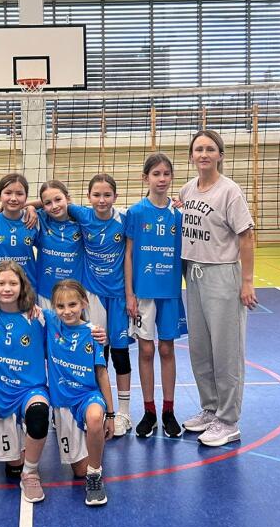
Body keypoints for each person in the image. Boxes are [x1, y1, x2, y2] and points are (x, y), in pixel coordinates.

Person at [179, 130, 258, 448]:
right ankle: (210, 409)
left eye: (210, 149)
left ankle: (228, 420)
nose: (204, 154)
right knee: (200, 349)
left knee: (226, 351)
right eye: (198, 149)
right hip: (193, 275)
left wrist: (247, 281)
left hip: (223, 275)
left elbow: (246, 236)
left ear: (220, 155)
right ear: (191, 156)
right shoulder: (187, 189)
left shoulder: (230, 191)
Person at [0, 260, 50, 502]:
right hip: (0, 390)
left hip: (31, 389)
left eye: (13, 283)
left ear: (22, 286)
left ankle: (31, 472)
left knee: (39, 415)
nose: (7, 288)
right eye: (1, 283)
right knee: (11, 468)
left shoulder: (38, 316)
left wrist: (92, 329)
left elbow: (70, 322)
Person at [124, 153, 187, 438]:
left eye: (166, 174)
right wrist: (130, 293)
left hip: (170, 292)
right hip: (143, 293)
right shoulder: (136, 213)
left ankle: (168, 411)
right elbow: (128, 255)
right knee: (146, 351)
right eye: (156, 174)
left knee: (166, 350)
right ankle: (149, 412)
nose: (162, 179)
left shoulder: (179, 214)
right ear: (145, 178)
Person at [67, 174, 134, 437]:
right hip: (93, 294)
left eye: (107, 195)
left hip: (118, 296)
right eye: (96, 195)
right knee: (98, 353)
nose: (102, 200)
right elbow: (53, 200)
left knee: (120, 354)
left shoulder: (125, 218)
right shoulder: (83, 215)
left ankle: (124, 413)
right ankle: (101, 408)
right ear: (88, 197)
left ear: (115, 197)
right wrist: (28, 207)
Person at [44, 280, 113, 506]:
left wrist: (111, 415)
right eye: (60, 306)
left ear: (84, 303)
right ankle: (90, 452)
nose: (67, 311)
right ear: (53, 307)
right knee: (78, 470)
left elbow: (102, 374)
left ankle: (95, 475)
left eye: (72, 304)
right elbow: (21, 303)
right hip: (63, 402)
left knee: (94, 418)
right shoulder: (50, 323)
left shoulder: (93, 333)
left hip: (88, 396)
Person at [0, 173, 40, 291]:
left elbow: (58, 200)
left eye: (19, 194)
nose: (13, 198)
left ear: (26, 197)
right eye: (8, 193)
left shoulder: (33, 219)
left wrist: (31, 207)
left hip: (26, 288)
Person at [34, 180, 85, 310]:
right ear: (42, 206)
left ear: (67, 198)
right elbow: (16, 207)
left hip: (74, 295)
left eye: (58, 199)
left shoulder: (81, 220)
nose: (54, 206)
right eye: (48, 203)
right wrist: (30, 207)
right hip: (46, 293)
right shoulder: (40, 219)